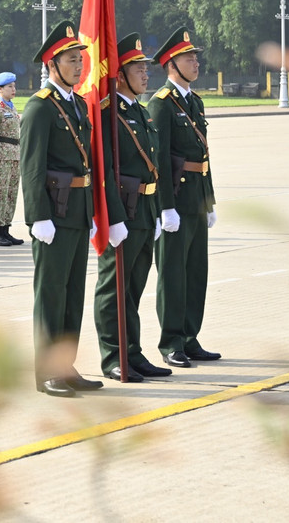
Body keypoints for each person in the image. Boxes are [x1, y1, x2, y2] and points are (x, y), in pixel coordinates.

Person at [21, 20, 103, 398]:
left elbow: (86, 164)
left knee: (72, 295)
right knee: (51, 295)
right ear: (52, 64)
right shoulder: (40, 108)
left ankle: (66, 365)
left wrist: (90, 213)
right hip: (53, 213)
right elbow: (32, 166)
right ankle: (47, 372)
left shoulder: (77, 104)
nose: (79, 66)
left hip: (77, 212)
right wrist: (38, 216)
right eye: (71, 60)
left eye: (80, 60)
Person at [94, 34, 171, 382]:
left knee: (133, 289)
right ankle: (113, 355)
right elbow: (105, 170)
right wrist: (113, 218)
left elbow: (152, 166)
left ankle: (133, 352)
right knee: (113, 288)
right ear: (120, 74)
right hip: (123, 212)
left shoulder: (140, 110)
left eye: (145, 68)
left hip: (144, 210)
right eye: (138, 68)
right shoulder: (109, 114)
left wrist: (155, 212)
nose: (145, 74)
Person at [149, 26, 220, 369]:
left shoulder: (194, 101)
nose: (196, 63)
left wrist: (210, 200)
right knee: (173, 275)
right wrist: (165, 208)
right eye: (189, 58)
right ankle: (171, 342)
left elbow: (204, 157)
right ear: (171, 65)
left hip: (196, 200)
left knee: (196, 273)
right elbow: (160, 160)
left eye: (195, 58)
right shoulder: (161, 104)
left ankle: (190, 337)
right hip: (175, 201)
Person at [0, 72, 26, 247]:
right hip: (2, 157)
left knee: (11, 194)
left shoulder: (11, 107)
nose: (13, 89)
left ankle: (6, 230)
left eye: (14, 86)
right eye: (10, 87)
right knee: (1, 194)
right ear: (0, 89)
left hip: (14, 156)